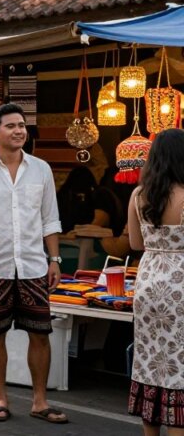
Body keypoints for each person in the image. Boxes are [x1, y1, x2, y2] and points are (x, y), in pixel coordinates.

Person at [0, 103, 66, 425]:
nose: (19, 130)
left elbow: (50, 218)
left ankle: (40, 401)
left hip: (34, 266)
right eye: (11, 126)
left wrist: (54, 260)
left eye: (22, 125)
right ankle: (0, 399)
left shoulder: (41, 169)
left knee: (40, 333)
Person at [126, 128, 184, 435]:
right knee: (179, 368)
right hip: (180, 285)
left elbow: (135, 244)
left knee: (149, 362)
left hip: (148, 282)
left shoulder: (138, 195)